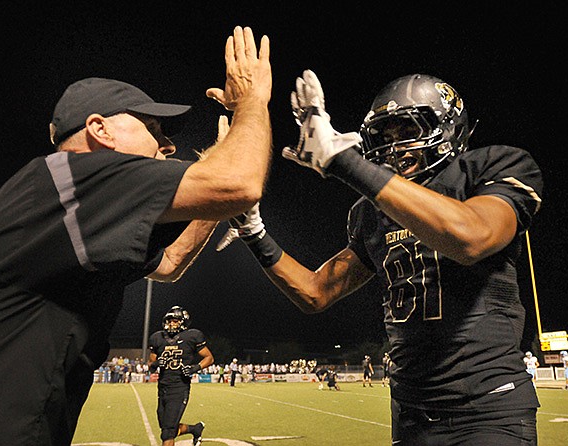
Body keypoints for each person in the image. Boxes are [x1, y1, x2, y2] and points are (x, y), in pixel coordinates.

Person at [0, 26, 272, 445]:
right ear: (100, 130)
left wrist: (217, 193)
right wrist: (252, 101)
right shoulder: (76, 176)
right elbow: (240, 183)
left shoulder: (78, 210)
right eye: (153, 128)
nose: (167, 145)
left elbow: (170, 264)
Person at [217, 71, 543, 445]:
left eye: (407, 130)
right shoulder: (372, 211)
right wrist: (253, 230)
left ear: (449, 127)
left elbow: (471, 237)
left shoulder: (494, 167)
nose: (394, 147)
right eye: (384, 136)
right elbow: (315, 292)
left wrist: (344, 162)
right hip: (409, 411)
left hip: (487, 409)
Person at [149, 306, 214, 446]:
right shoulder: (157, 338)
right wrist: (156, 364)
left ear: (183, 322)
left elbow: (209, 358)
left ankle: (194, 430)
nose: (171, 324)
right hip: (162, 388)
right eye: (169, 321)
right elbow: (150, 366)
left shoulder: (192, 336)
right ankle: (195, 429)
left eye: (175, 321)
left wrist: (194, 368)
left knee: (167, 432)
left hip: (179, 388)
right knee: (166, 428)